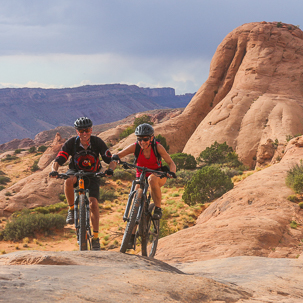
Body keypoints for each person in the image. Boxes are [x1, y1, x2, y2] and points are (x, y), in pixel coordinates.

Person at [49, 117, 115, 250]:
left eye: (87, 130)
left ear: (91, 130)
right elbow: (58, 160)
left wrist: (110, 170)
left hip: (93, 174)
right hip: (76, 172)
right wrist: (54, 171)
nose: (84, 133)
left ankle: (95, 238)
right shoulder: (71, 143)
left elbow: (110, 159)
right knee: (68, 180)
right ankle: (72, 210)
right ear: (77, 131)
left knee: (94, 204)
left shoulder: (97, 142)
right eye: (81, 131)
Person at [112, 123, 176, 223]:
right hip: (141, 175)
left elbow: (171, 162)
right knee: (135, 199)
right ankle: (131, 234)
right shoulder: (135, 147)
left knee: (152, 179)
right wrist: (115, 158)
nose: (142, 142)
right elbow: (118, 155)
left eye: (145, 139)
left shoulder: (158, 147)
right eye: (139, 139)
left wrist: (172, 172)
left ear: (151, 138)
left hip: (157, 173)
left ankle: (158, 209)